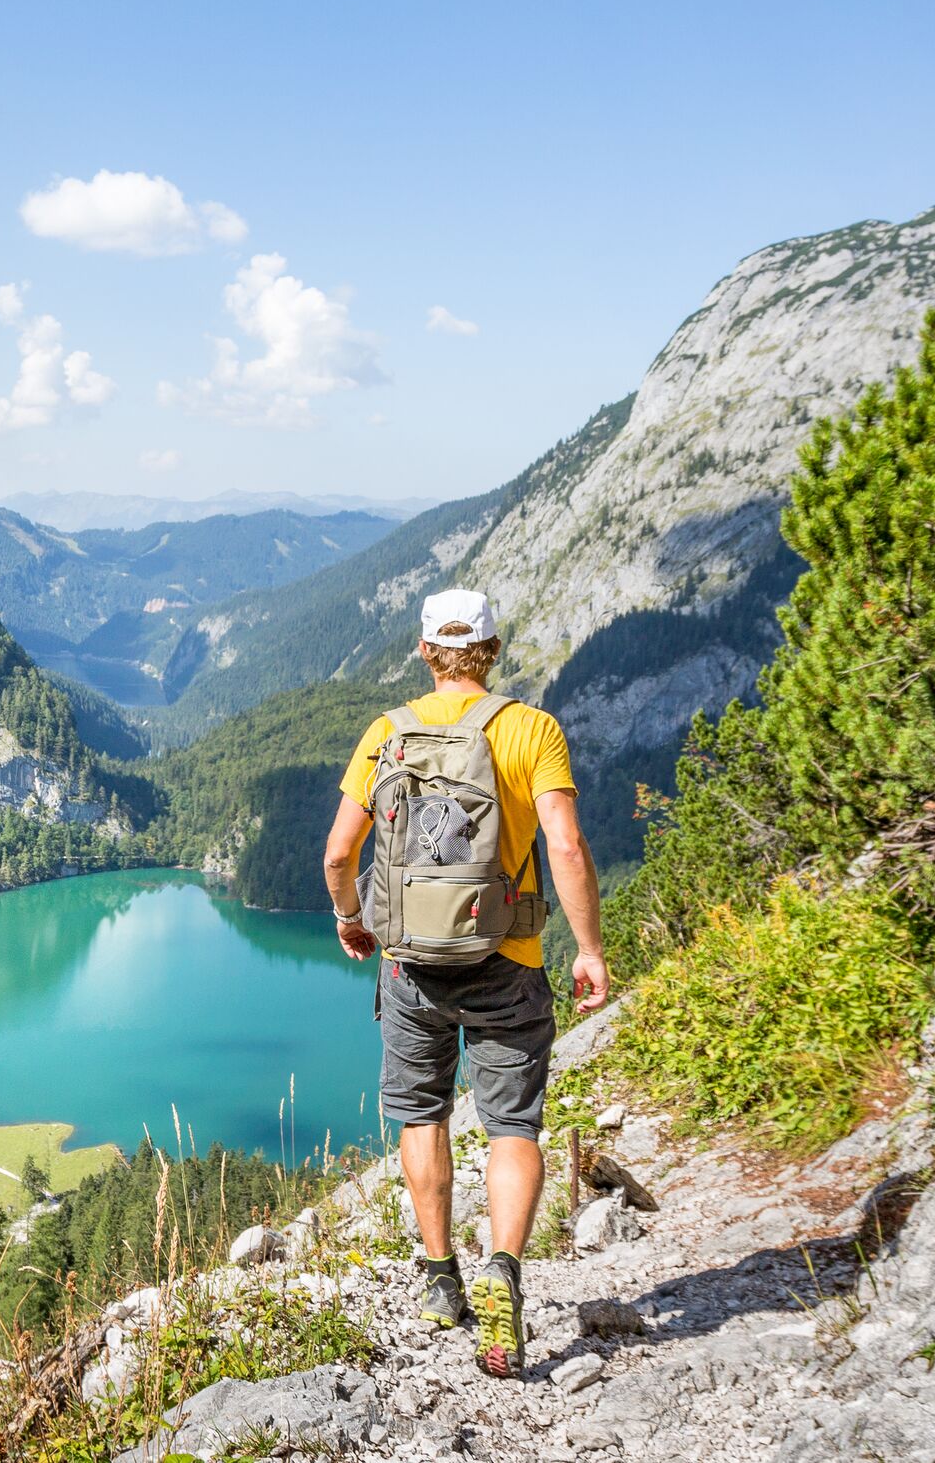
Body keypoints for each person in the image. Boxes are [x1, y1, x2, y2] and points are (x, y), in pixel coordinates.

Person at [322, 587, 610, 1380]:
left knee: (422, 1112)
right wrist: (587, 946)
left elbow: (339, 854)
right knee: (512, 1125)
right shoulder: (530, 729)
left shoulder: (386, 733)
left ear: (425, 651)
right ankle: (503, 1270)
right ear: (491, 649)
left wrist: (353, 917)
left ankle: (442, 1276)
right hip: (507, 957)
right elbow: (567, 843)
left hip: (411, 962)